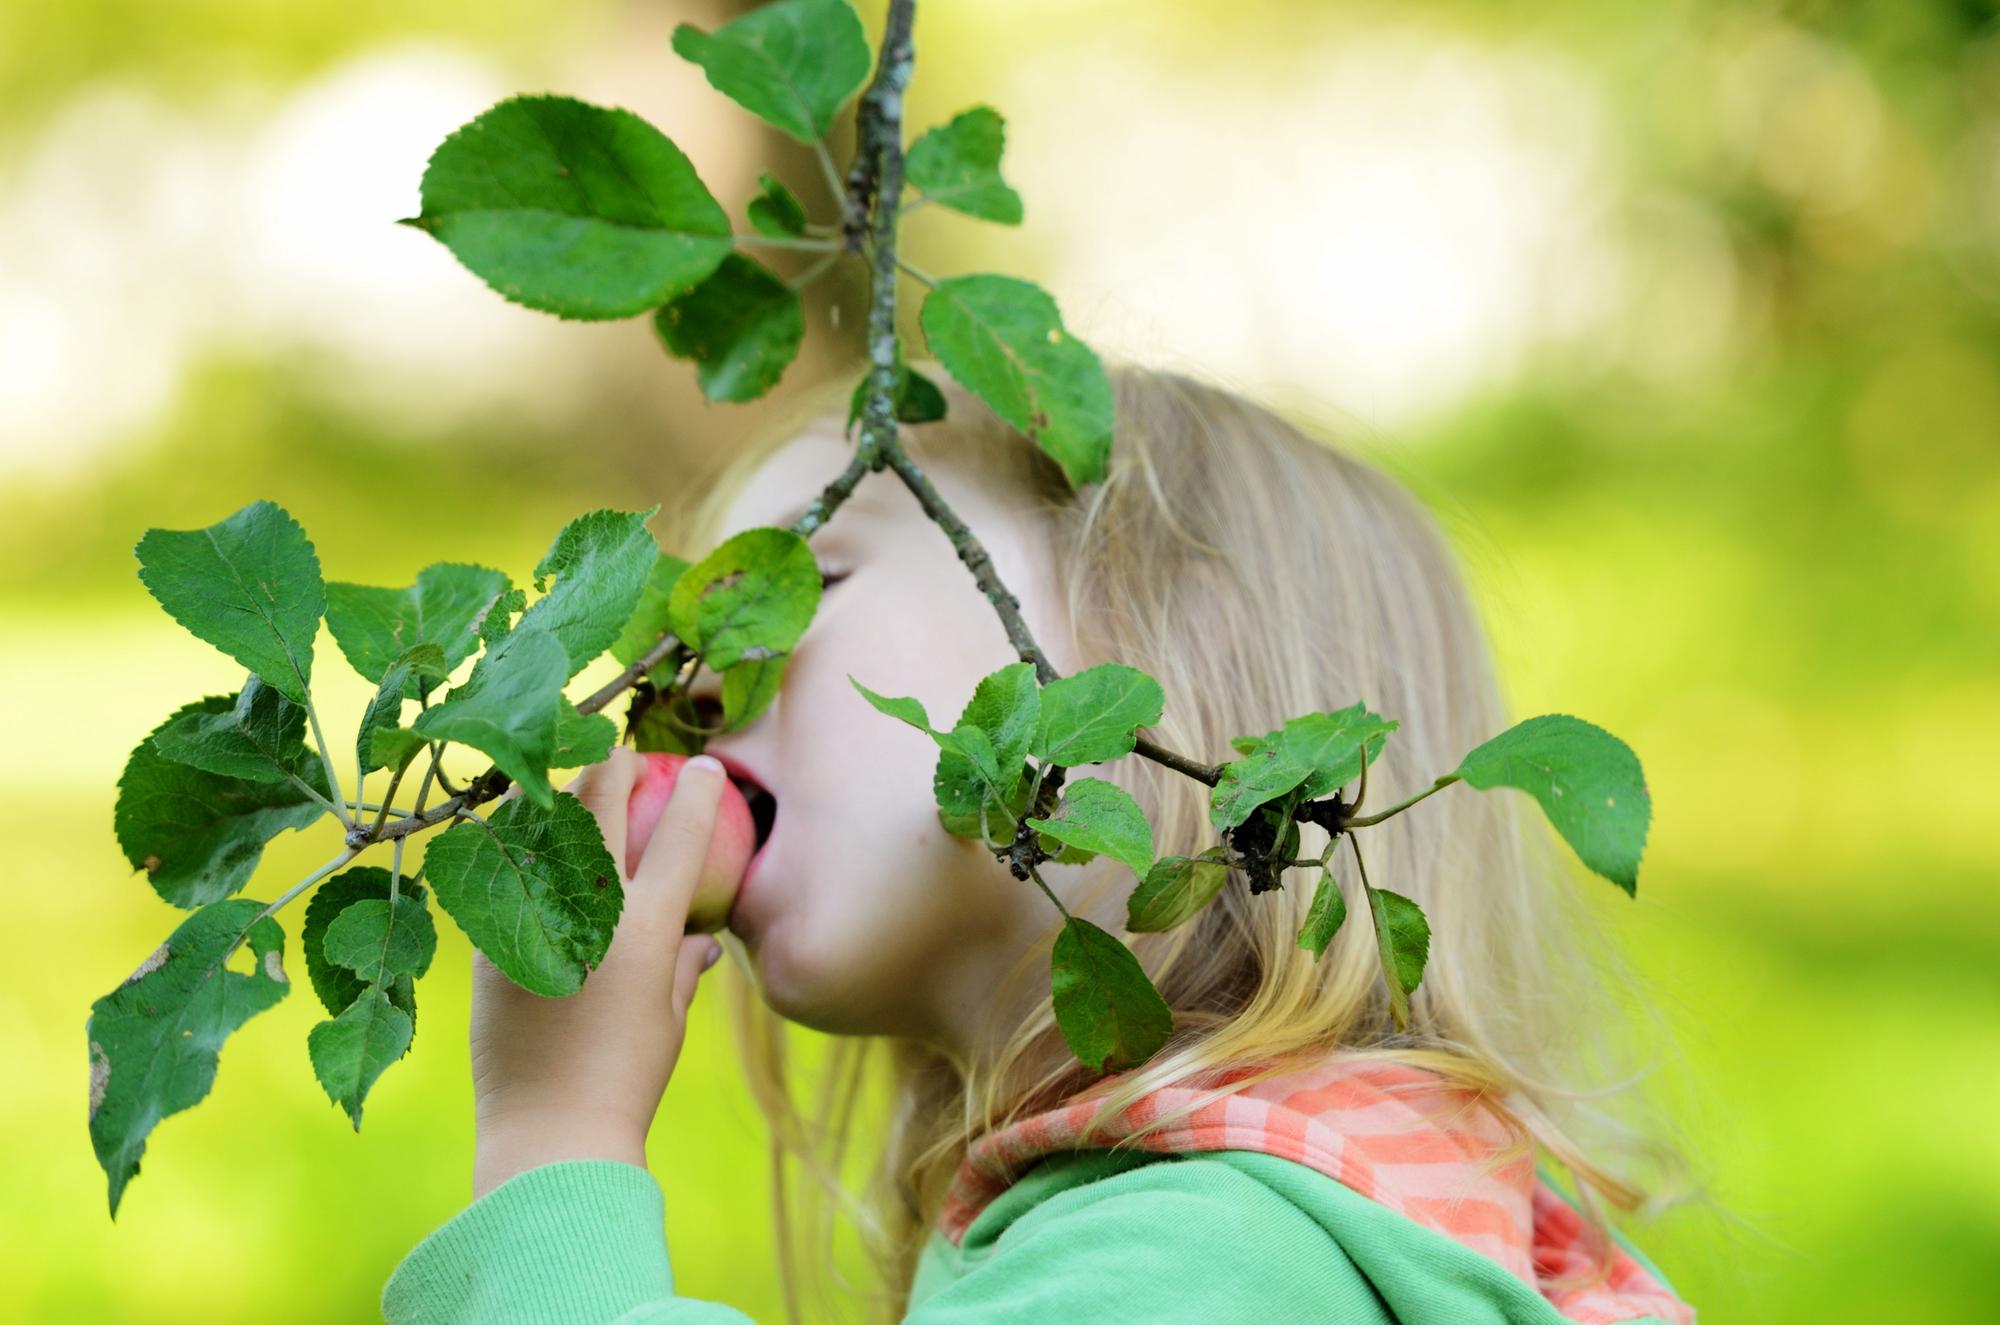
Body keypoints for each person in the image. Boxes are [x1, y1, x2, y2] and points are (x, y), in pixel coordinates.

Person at [381, 358, 1700, 1324]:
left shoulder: (1195, 1265)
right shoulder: (1298, 1220)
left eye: (810, 578)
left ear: (1180, 643)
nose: (683, 687)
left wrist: (553, 1140)